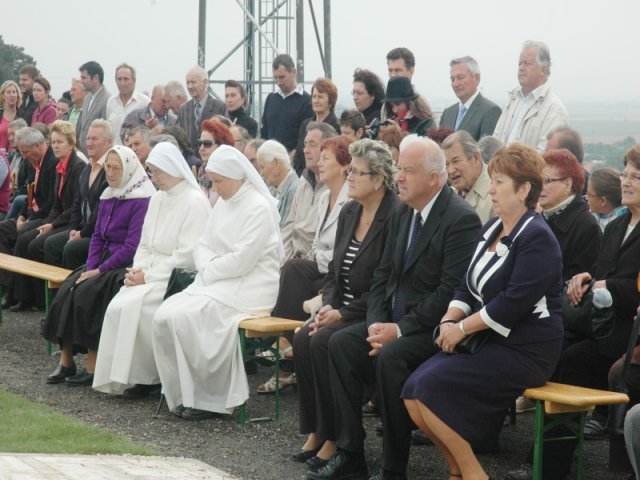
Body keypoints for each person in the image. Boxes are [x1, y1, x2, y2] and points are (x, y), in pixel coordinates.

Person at [309, 136, 481, 480]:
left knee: (391, 356)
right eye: (399, 168)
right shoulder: (404, 213)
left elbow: (449, 292)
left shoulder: (461, 219)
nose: (398, 177)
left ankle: (393, 465)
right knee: (340, 343)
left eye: (408, 171)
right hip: (391, 322)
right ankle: (350, 452)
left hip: (432, 329)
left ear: (434, 178)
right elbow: (382, 276)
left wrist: (398, 330)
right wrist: (376, 324)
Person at [403, 143, 564, 480]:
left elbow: (511, 303)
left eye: (499, 182)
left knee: (428, 390)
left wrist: (461, 330)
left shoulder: (538, 237)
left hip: (526, 349)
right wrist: (449, 319)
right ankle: (457, 471)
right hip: (489, 341)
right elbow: (465, 287)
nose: (490, 190)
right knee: (412, 391)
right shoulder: (491, 227)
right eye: (492, 181)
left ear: (524, 189)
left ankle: (473, 473)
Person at [505, 144, 640, 480]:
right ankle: (543, 460)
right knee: (556, 347)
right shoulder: (617, 225)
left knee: (572, 360)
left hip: (628, 333)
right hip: (602, 325)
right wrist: (587, 278)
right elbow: (604, 273)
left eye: (636, 177)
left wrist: (605, 285)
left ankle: (548, 466)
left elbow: (627, 285)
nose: (626, 182)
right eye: (625, 174)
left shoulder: (599, 225)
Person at [152, 145, 283, 419]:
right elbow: (202, 244)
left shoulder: (258, 207)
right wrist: (209, 266)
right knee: (165, 315)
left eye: (219, 181)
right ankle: (184, 393)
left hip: (250, 286)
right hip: (217, 282)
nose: (215, 188)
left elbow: (243, 261)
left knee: (188, 317)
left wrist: (209, 268)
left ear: (237, 176)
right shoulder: (224, 202)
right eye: (212, 181)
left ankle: (210, 399)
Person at [292, 139, 400, 472]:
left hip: (372, 312)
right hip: (342, 307)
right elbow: (335, 272)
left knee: (325, 340)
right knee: (303, 337)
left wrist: (342, 312)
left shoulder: (395, 215)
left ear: (378, 179)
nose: (349, 176)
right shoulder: (350, 210)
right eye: (349, 169)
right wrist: (328, 304)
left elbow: (386, 284)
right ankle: (320, 430)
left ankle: (340, 440)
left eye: (356, 172)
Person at [93, 143, 211, 399]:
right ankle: (128, 376)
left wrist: (149, 276)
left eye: (157, 172)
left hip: (174, 278)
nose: (153, 178)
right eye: (152, 172)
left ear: (171, 168)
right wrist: (138, 271)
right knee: (118, 305)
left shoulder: (195, 201)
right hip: (149, 272)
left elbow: (187, 256)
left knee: (135, 306)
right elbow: (144, 244)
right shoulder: (158, 198)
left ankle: (150, 377)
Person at [41, 145, 155, 386]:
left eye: (116, 168)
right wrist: (91, 266)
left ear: (129, 169)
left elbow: (132, 246)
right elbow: (97, 237)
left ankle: (93, 366)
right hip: (102, 260)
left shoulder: (141, 199)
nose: (110, 173)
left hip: (124, 264)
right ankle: (66, 361)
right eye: (108, 168)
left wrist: (99, 270)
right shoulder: (108, 195)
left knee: (88, 294)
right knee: (69, 287)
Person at [259, 135, 352, 394]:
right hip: (321, 264)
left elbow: (341, 252)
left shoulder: (351, 199)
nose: (319, 163)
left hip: (339, 272)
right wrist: (317, 257)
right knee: (293, 268)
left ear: (344, 166)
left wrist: (318, 257)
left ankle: (285, 349)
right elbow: (316, 243)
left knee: (295, 269)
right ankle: (287, 349)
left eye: (326, 158)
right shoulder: (324, 198)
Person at [10, 121, 85, 310]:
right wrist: (50, 223)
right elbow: (55, 205)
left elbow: (74, 207)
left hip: (72, 222)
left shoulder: (78, 167)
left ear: (71, 144)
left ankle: (44, 300)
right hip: (59, 219)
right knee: (27, 238)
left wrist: (51, 224)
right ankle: (26, 296)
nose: (56, 146)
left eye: (60, 142)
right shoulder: (61, 166)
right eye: (54, 142)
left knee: (35, 242)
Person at [0, 127, 58, 309]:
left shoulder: (53, 162)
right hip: (32, 214)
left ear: (38, 145)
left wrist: (30, 220)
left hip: (47, 217)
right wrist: (22, 215)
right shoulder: (33, 162)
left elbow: (52, 202)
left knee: (24, 236)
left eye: (25, 151)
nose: (23, 156)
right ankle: (8, 286)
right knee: (2, 229)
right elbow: (29, 194)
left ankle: (23, 297)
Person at [43, 120, 111, 270]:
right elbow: (77, 203)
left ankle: (69, 284)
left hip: (97, 234)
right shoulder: (88, 168)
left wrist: (81, 233)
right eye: (88, 138)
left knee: (69, 249)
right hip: (80, 228)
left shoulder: (109, 170)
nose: (89, 143)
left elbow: (100, 211)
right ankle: (51, 285)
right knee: (49, 243)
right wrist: (73, 229)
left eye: (95, 139)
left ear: (109, 143)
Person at [493, 40, 568, 151]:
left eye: (527, 63)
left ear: (543, 69)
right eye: (520, 63)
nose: (521, 68)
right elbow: (495, 140)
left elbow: (546, 153)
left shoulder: (554, 109)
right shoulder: (512, 100)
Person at [539, 148, 601, 281]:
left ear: (567, 184)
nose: (540, 187)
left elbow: (577, 283)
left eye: (547, 181)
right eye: (538, 181)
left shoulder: (586, 226)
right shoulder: (539, 218)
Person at [282, 122, 336, 261]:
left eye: (312, 145)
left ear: (328, 150)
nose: (305, 150)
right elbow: (289, 227)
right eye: (305, 144)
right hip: (292, 260)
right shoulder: (304, 180)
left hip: (314, 262)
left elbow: (325, 241)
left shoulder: (334, 186)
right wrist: (284, 262)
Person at [261, 54, 313, 157]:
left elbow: (305, 136)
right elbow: (264, 131)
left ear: (294, 72)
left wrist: (292, 157)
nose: (278, 82)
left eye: (282, 77)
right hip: (270, 158)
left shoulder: (307, 101)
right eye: (275, 78)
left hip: (294, 160)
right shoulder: (271, 98)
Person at [439, 56, 502, 140]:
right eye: (452, 79)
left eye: (460, 78)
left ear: (476, 78)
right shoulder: (448, 113)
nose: (455, 84)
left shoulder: (490, 111)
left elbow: (488, 147)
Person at [443, 130, 494, 223]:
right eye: (446, 164)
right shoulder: (448, 196)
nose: (450, 170)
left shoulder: (495, 193)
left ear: (476, 158)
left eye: (456, 161)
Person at [293, 78, 341, 175]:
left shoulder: (337, 126)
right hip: (304, 177)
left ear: (330, 101)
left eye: (320, 97)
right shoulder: (305, 124)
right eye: (314, 96)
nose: (316, 100)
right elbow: (298, 155)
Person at [257, 139, 299, 226]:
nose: (261, 173)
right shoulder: (270, 188)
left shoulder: (295, 190)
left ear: (276, 163)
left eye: (262, 167)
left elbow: (285, 229)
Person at [106, 64, 150, 145]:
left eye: (126, 79)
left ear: (134, 80)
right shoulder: (111, 102)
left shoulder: (144, 102)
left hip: (134, 150)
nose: (122, 83)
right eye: (119, 79)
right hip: (115, 150)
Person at [196, 118, 235, 207]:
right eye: (199, 143)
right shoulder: (202, 171)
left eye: (207, 144)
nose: (201, 148)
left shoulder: (229, 174)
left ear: (221, 145)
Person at [76, 61, 111, 155]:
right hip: (84, 154)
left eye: (84, 78)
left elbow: (105, 131)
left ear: (95, 78)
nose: (81, 81)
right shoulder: (87, 98)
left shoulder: (107, 100)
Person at [586, 167, 627, 231]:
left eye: (589, 194)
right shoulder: (591, 215)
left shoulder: (618, 227)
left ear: (603, 201)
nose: (586, 198)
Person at [0, 80, 22, 150]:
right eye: (8, 92)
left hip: (17, 154)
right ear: (3, 95)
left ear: (17, 95)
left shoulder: (22, 114)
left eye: (14, 92)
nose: (12, 95)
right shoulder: (0, 114)